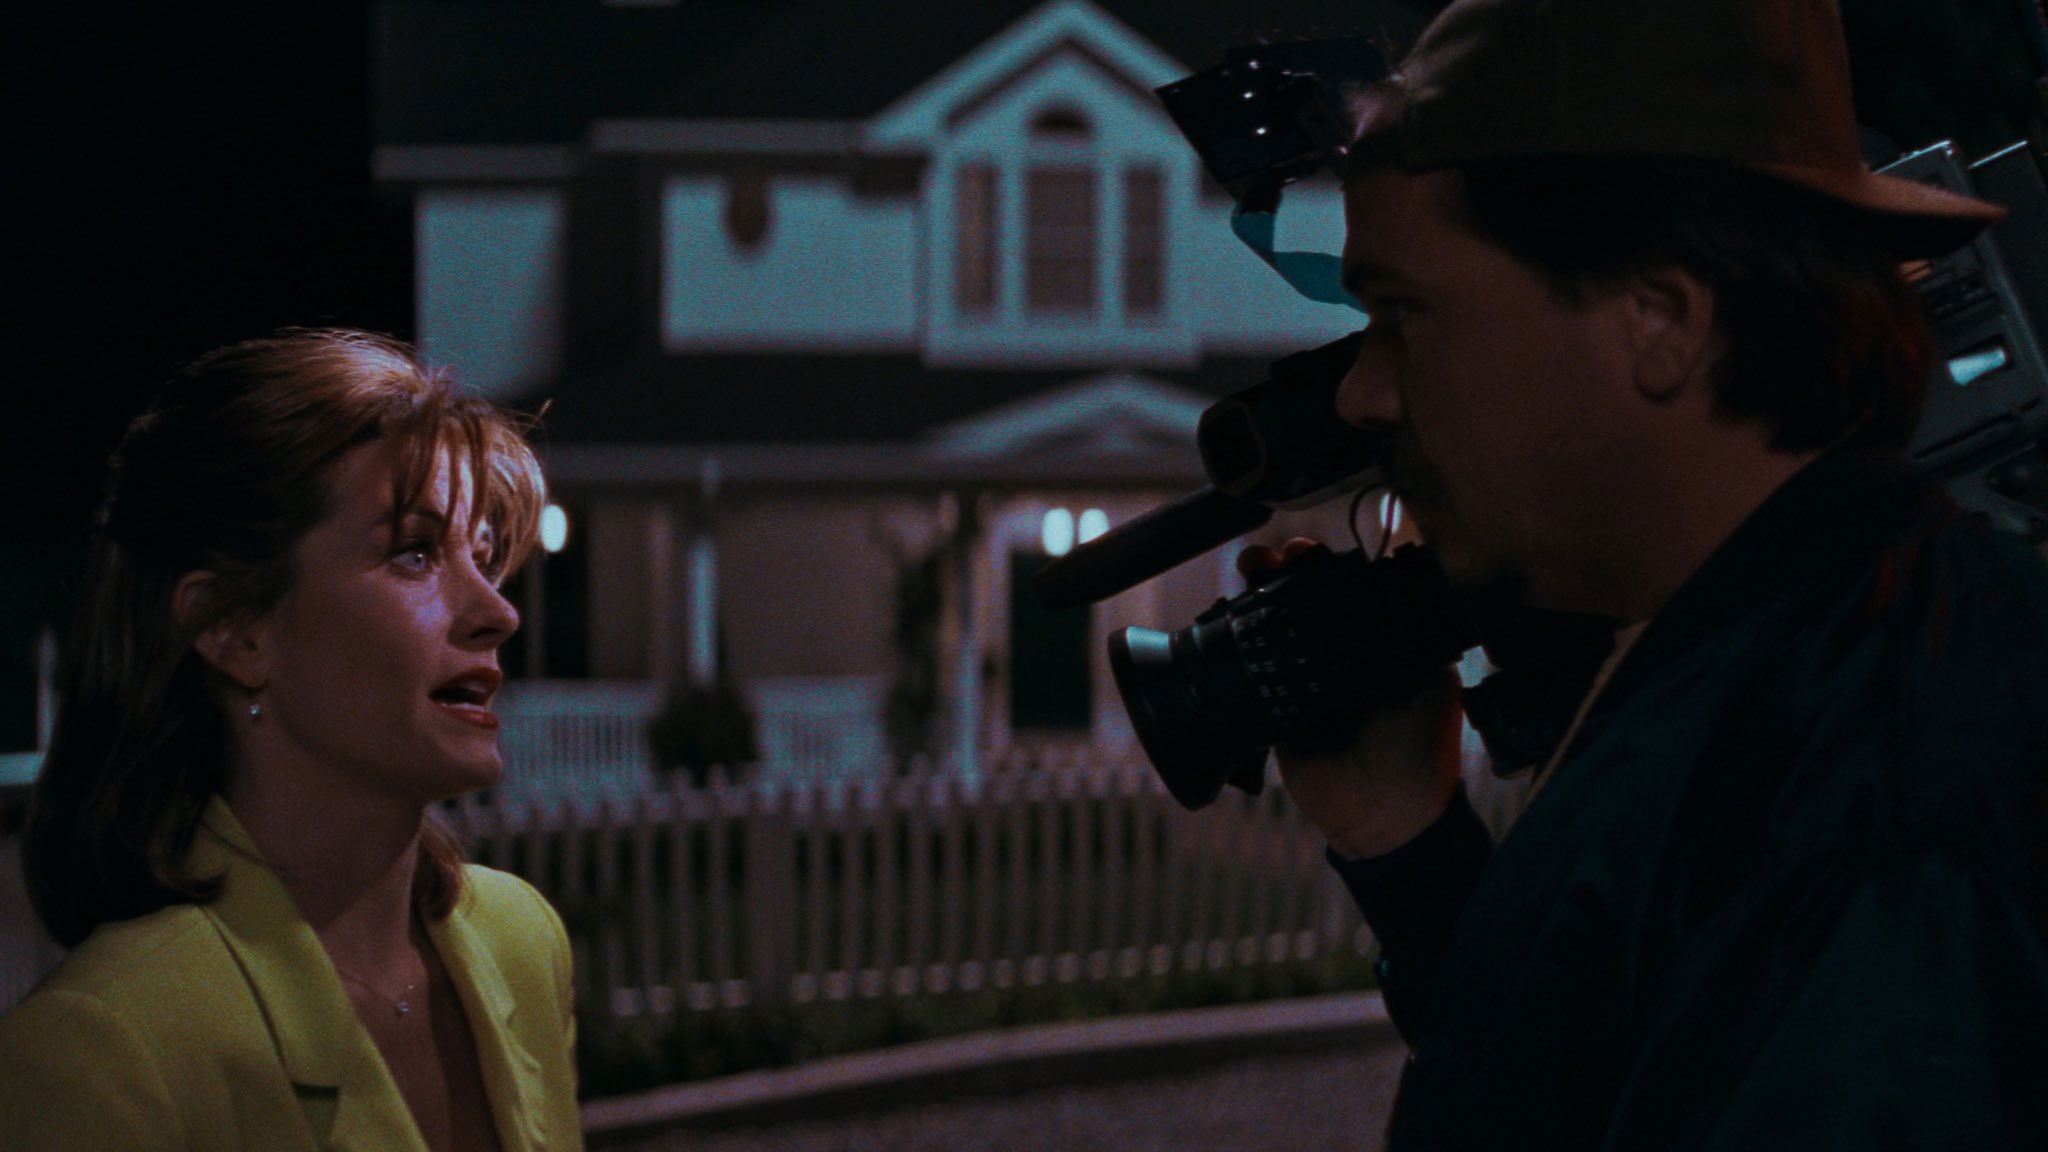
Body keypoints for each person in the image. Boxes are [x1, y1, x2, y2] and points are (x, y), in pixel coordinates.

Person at [1249, 0, 2048, 1147]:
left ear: (1659, 321)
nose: (1360, 395)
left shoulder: (1886, 783)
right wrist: (1406, 842)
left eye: (1404, 315)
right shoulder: (1793, 669)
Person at [0, 329, 584, 1150]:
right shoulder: (102, 1052)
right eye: (416, 554)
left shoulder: (521, 943)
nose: (498, 612)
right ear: (235, 629)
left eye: (483, 559)